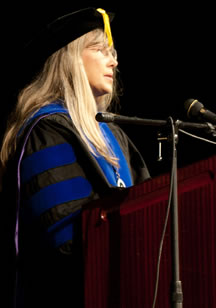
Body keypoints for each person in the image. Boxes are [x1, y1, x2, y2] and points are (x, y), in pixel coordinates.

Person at [0, 7, 150, 308]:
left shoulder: (115, 135)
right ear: (70, 60)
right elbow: (66, 238)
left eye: (114, 53)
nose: (114, 61)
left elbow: (150, 210)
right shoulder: (47, 131)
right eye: (100, 50)